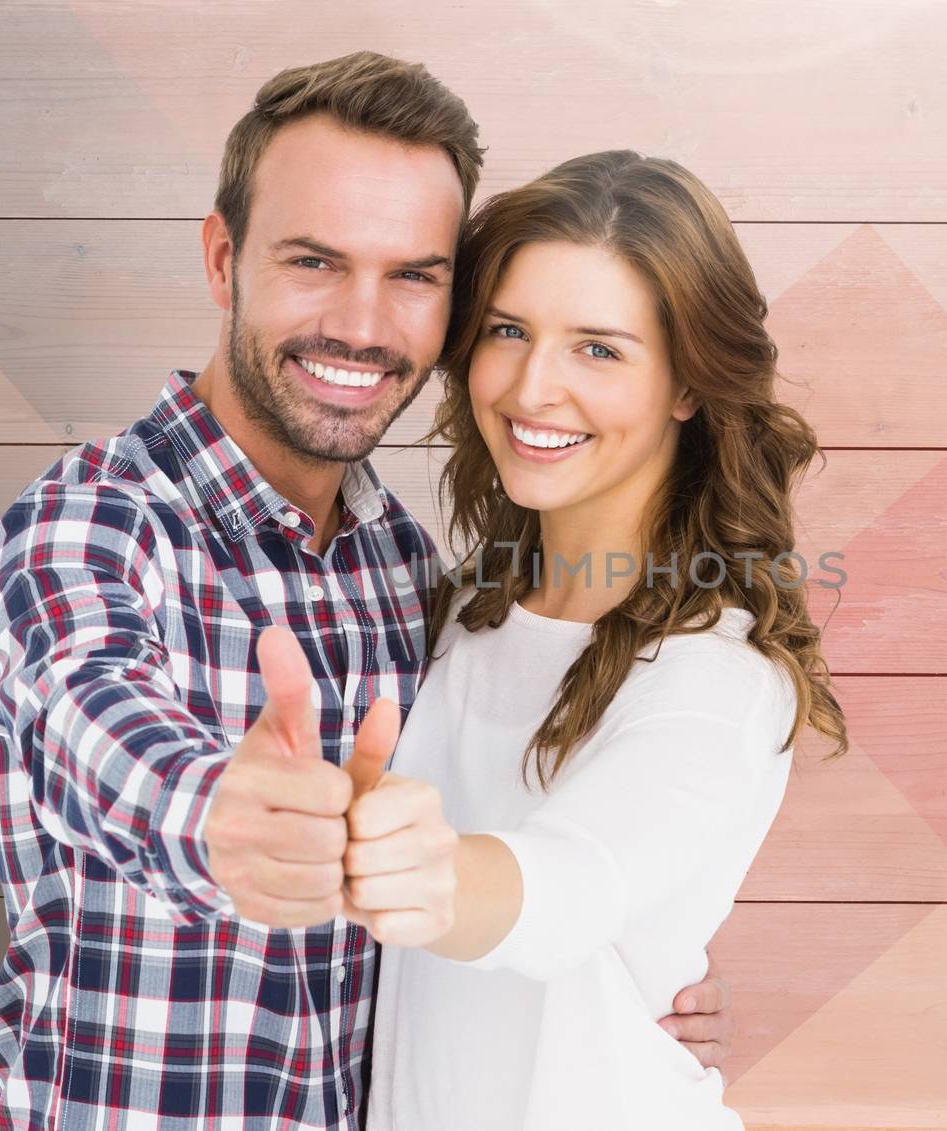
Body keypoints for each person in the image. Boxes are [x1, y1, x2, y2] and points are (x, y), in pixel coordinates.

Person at [0, 52, 732, 1130]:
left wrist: (608, 990)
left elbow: (511, 864)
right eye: (316, 261)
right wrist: (221, 818)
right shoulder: (86, 527)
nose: (364, 326)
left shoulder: (416, 576)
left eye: (413, 275)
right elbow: (96, 726)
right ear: (224, 259)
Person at [334, 151, 850, 1130]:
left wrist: (416, 869)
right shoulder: (463, 607)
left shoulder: (717, 671)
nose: (534, 388)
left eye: (598, 349)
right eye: (508, 332)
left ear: (688, 386)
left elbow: (567, 889)